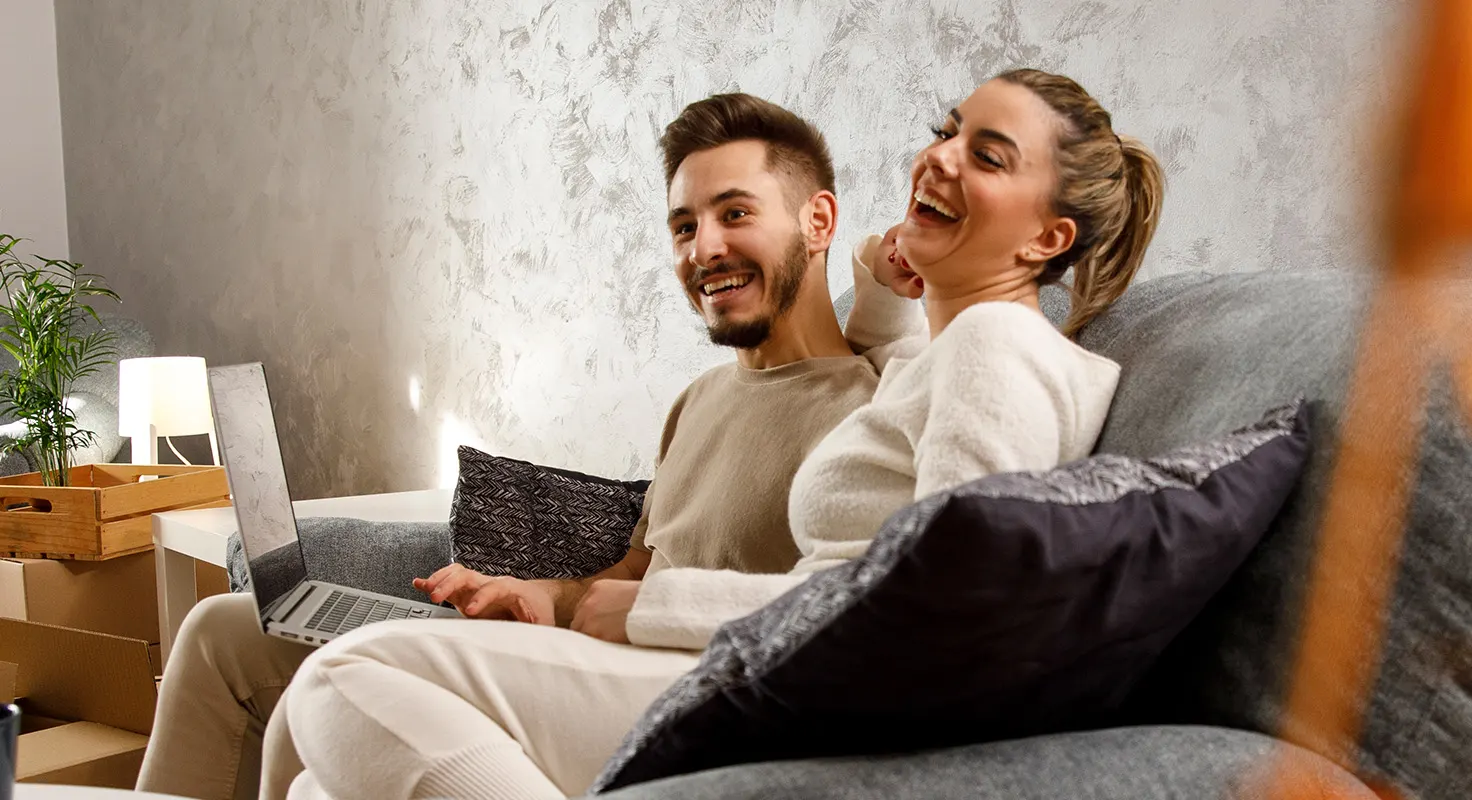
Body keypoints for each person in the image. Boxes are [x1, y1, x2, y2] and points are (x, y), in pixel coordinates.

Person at [260, 68, 1165, 799]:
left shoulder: (994, 347)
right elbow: (900, 408)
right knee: (323, 777)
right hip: (764, 668)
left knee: (339, 684)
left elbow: (939, 606)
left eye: (990, 155)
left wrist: (633, 607)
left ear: (1048, 237)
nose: (940, 157)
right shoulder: (957, 351)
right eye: (948, 128)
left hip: (795, 699)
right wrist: (885, 276)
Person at [135, 92, 907, 800]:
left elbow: (864, 624)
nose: (704, 248)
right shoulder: (697, 403)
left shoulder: (877, 408)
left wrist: (893, 283)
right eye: (684, 225)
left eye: (735, 214)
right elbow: (640, 567)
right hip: (583, 657)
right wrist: (540, 593)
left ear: (818, 221)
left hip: (673, 699)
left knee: (324, 728)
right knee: (219, 633)